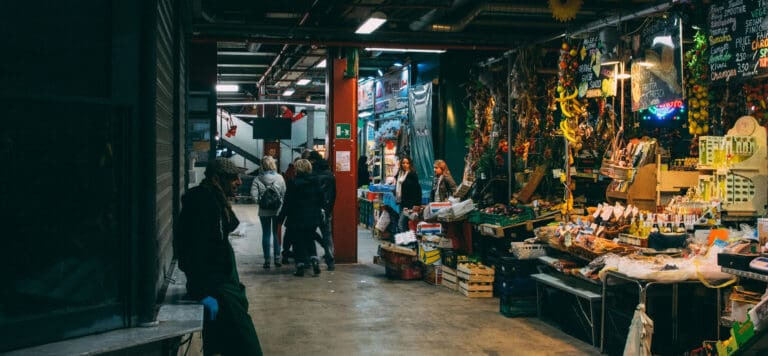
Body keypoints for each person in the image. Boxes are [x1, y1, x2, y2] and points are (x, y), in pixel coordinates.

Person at [176, 157, 263, 355]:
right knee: (247, 346)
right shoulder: (202, 205)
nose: (239, 182)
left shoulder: (215, 201)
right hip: (216, 288)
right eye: (233, 178)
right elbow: (191, 252)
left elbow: (231, 224)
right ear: (217, 179)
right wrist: (202, 291)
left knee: (220, 342)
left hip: (223, 285)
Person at [278, 159, 325, 277]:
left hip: (296, 217)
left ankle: (300, 266)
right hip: (312, 217)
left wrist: (281, 218)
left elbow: (287, 203)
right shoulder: (316, 181)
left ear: (297, 169)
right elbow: (322, 199)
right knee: (310, 239)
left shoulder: (293, 183)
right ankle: (314, 259)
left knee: (298, 242)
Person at [251, 155, 287, 269]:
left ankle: (267, 260)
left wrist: (261, 202)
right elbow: (284, 193)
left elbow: (253, 194)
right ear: (273, 164)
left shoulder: (257, 179)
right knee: (275, 234)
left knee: (266, 234)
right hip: (277, 210)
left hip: (263, 211)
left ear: (262, 165)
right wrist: (280, 202)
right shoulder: (280, 178)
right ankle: (277, 258)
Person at [308, 150, 337, 270]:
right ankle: (330, 260)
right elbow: (334, 194)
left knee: (310, 233)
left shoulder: (312, 175)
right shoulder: (330, 174)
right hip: (326, 210)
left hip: (313, 210)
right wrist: (329, 209)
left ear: (313, 161)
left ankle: (313, 257)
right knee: (327, 235)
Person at [394, 155, 422, 233]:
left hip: (410, 204)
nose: (405, 165)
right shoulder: (400, 174)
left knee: (401, 223)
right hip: (402, 203)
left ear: (410, 164)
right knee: (404, 224)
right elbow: (396, 181)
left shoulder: (412, 175)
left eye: (407, 163)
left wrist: (417, 204)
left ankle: (407, 242)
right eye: (403, 163)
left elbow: (417, 190)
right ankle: (407, 243)